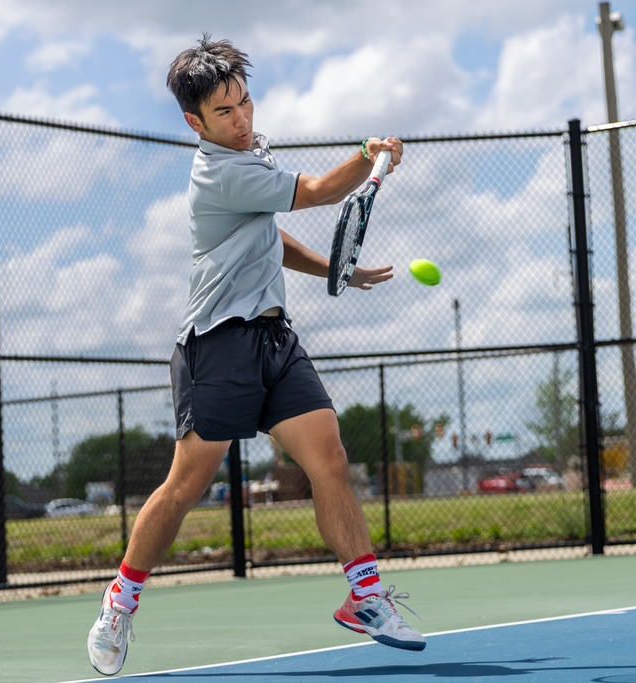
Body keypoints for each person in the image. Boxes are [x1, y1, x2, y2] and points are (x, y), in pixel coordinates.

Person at [87, 35, 424, 677]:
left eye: (245, 103)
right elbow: (324, 190)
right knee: (187, 485)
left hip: (275, 340)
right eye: (225, 113)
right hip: (218, 345)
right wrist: (368, 154)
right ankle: (120, 600)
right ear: (196, 123)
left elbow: (267, 230)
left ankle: (366, 597)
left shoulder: (252, 153)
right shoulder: (220, 171)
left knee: (330, 458)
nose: (242, 120)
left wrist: (335, 270)